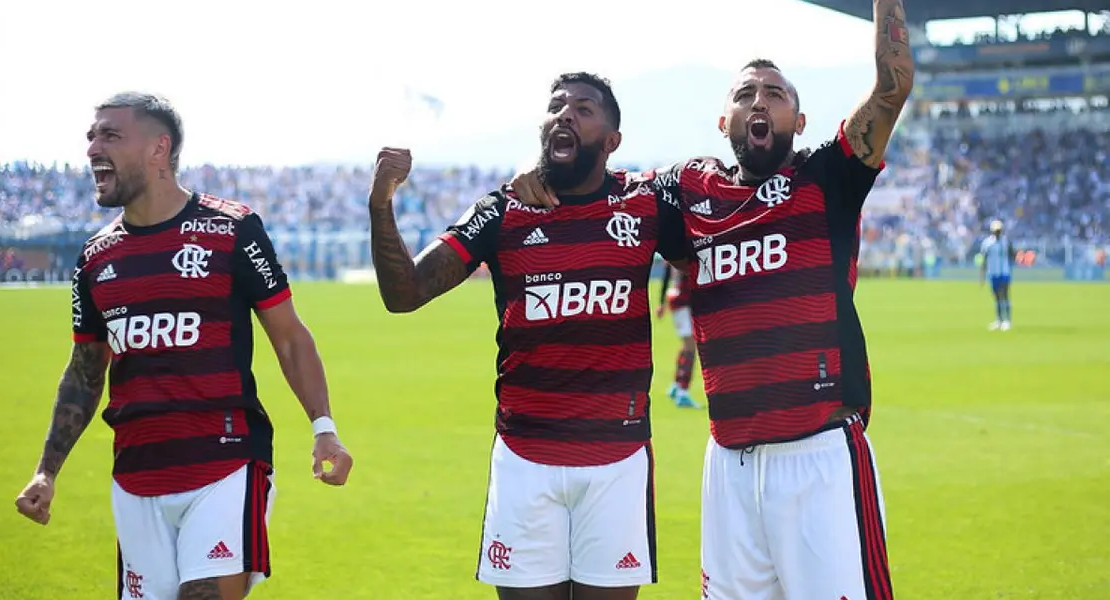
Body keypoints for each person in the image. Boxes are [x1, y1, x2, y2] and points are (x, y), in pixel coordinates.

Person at [511, 3, 915, 597]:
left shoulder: (828, 179)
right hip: (728, 461)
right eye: (746, 92)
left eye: (775, 94)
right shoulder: (686, 193)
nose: (759, 101)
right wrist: (541, 167)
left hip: (820, 455)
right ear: (722, 117)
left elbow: (892, 86)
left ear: (799, 121)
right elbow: (596, 188)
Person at [13, 92, 354, 600]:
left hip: (224, 462)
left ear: (158, 149)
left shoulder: (232, 229)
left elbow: (289, 336)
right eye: (91, 136)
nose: (92, 148)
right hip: (135, 475)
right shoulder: (95, 257)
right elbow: (86, 371)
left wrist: (323, 426)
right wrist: (47, 471)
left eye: (110, 135)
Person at [367, 72, 686, 600]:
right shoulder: (502, 210)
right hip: (524, 460)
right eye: (557, 105)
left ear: (612, 141)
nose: (565, 113)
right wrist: (382, 204)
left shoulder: (646, 202)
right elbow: (405, 293)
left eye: (584, 109)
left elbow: (711, 249)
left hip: (617, 460)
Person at [655, 265, 699, 408]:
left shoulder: (674, 249)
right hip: (684, 299)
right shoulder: (689, 247)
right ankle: (682, 391)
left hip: (675, 297)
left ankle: (675, 385)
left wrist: (661, 302)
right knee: (690, 346)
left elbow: (666, 273)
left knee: (686, 344)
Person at [978, 219, 1015, 331]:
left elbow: (1012, 255)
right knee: (997, 297)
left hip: (1004, 272)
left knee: (1005, 295)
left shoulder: (1006, 242)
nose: (998, 233)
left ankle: (1007, 320)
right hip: (993, 272)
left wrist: (1010, 267)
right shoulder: (987, 243)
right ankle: (999, 320)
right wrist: (982, 275)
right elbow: (984, 259)